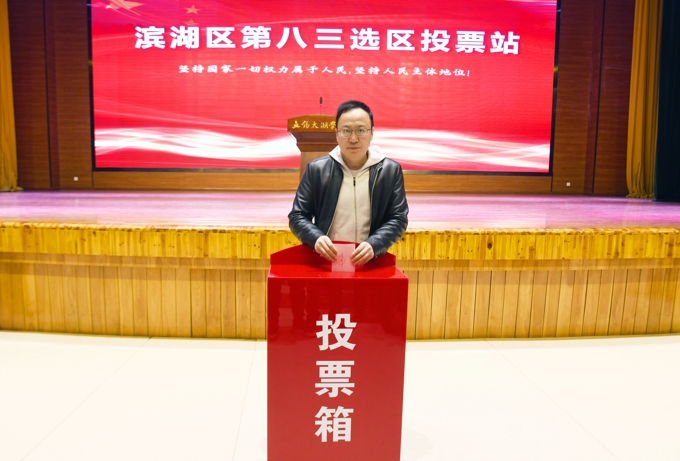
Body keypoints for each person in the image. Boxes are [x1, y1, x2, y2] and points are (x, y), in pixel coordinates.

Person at [288, 100, 408, 265]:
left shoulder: (389, 171)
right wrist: (316, 238)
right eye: (346, 131)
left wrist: (374, 244)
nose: (353, 138)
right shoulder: (317, 170)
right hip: (329, 261)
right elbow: (298, 216)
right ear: (337, 133)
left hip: (370, 262)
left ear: (372, 132)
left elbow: (398, 218)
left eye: (361, 130)